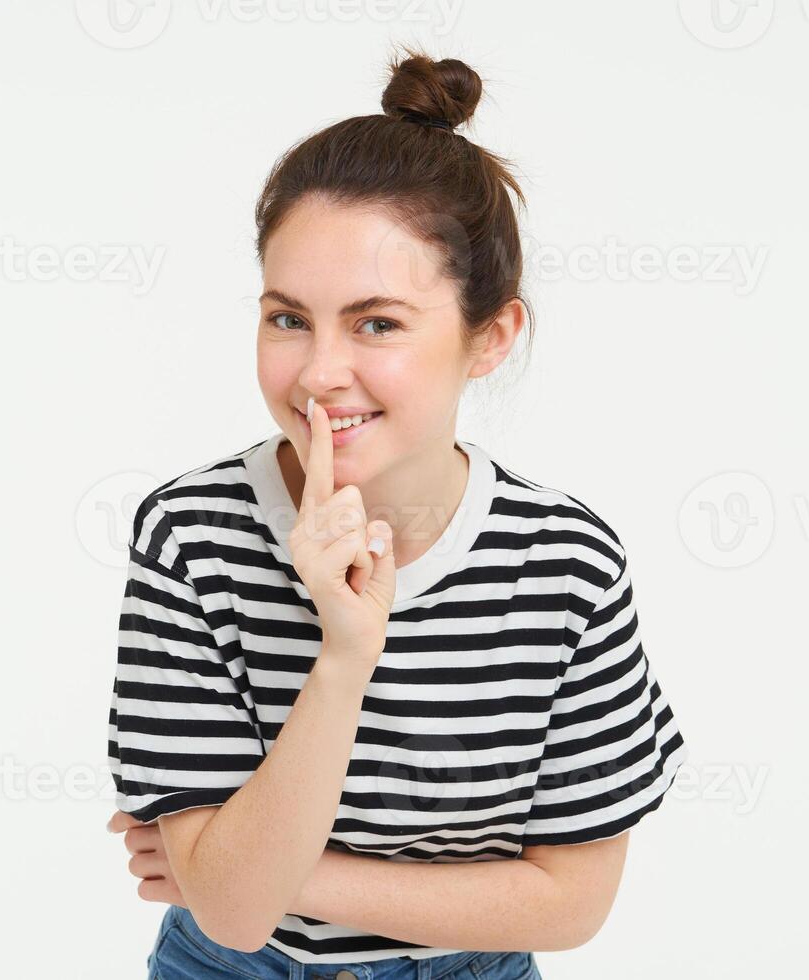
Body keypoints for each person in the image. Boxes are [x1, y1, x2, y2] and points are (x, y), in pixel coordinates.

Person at [104, 48, 689, 979]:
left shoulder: (566, 563)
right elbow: (233, 922)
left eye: (377, 323)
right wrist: (345, 654)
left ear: (488, 337)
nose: (318, 372)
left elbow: (573, 901)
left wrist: (263, 871)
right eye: (288, 317)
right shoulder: (192, 535)